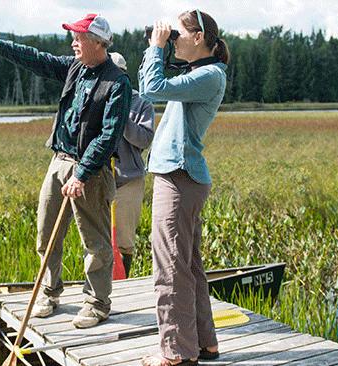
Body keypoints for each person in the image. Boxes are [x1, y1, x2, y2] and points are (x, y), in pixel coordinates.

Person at [0, 14, 131, 329]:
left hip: (90, 170)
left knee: (95, 241)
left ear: (97, 41)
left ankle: (97, 304)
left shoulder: (117, 82)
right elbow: (34, 58)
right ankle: (49, 294)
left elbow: (109, 135)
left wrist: (82, 173)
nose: (73, 43)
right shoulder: (75, 67)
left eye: (78, 38)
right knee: (46, 232)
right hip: (60, 161)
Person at [137, 10, 230, 366]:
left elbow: (151, 88)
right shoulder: (199, 74)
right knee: (187, 265)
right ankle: (204, 344)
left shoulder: (208, 75)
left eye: (180, 33)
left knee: (170, 269)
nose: (174, 37)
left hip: (179, 178)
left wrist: (155, 49)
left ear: (201, 37)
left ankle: (176, 354)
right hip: (181, 177)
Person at [107, 52, 155, 277]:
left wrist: (122, 117)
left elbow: (144, 140)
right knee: (97, 240)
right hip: (99, 181)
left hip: (128, 181)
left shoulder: (141, 103)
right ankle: (99, 288)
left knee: (124, 241)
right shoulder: (95, 97)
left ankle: (122, 285)